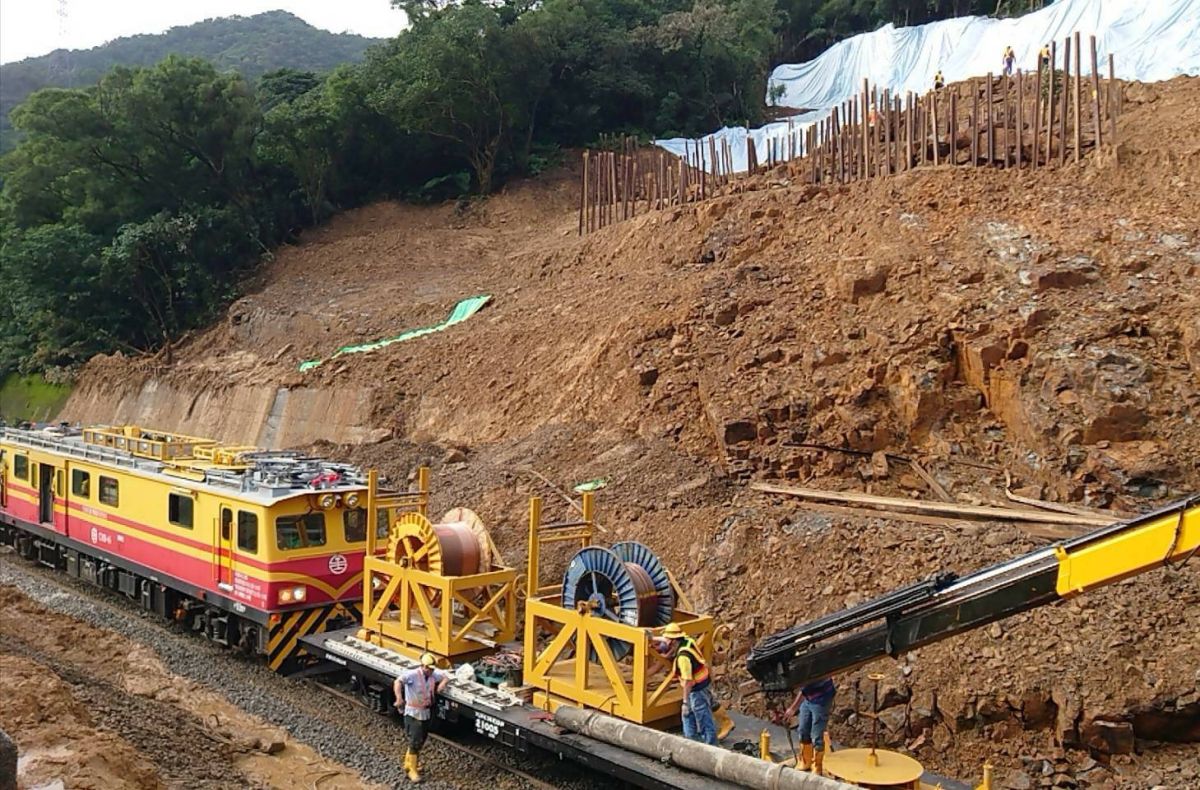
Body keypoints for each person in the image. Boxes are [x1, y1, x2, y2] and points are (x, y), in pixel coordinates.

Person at [654, 623, 717, 745]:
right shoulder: (686, 640)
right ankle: (690, 743)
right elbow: (667, 639)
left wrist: (685, 702)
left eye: (666, 640)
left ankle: (711, 746)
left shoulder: (683, 657)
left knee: (702, 716)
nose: (664, 643)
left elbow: (688, 682)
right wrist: (652, 637)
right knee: (689, 716)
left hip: (697, 688)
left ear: (672, 642)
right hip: (703, 683)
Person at [393, 653, 450, 783]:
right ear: (423, 666)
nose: (431, 671)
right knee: (415, 740)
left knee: (420, 739)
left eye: (432, 669)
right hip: (413, 712)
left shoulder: (431, 675)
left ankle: (409, 763)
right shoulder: (412, 675)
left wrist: (442, 683)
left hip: (425, 712)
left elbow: (445, 677)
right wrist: (399, 698)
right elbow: (398, 681)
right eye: (429, 668)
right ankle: (411, 769)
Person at [783, 677, 836, 774]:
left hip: (821, 699)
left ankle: (817, 766)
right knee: (803, 730)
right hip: (808, 698)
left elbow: (805, 689)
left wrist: (793, 708)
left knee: (816, 735)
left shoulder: (813, 669)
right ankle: (805, 761)